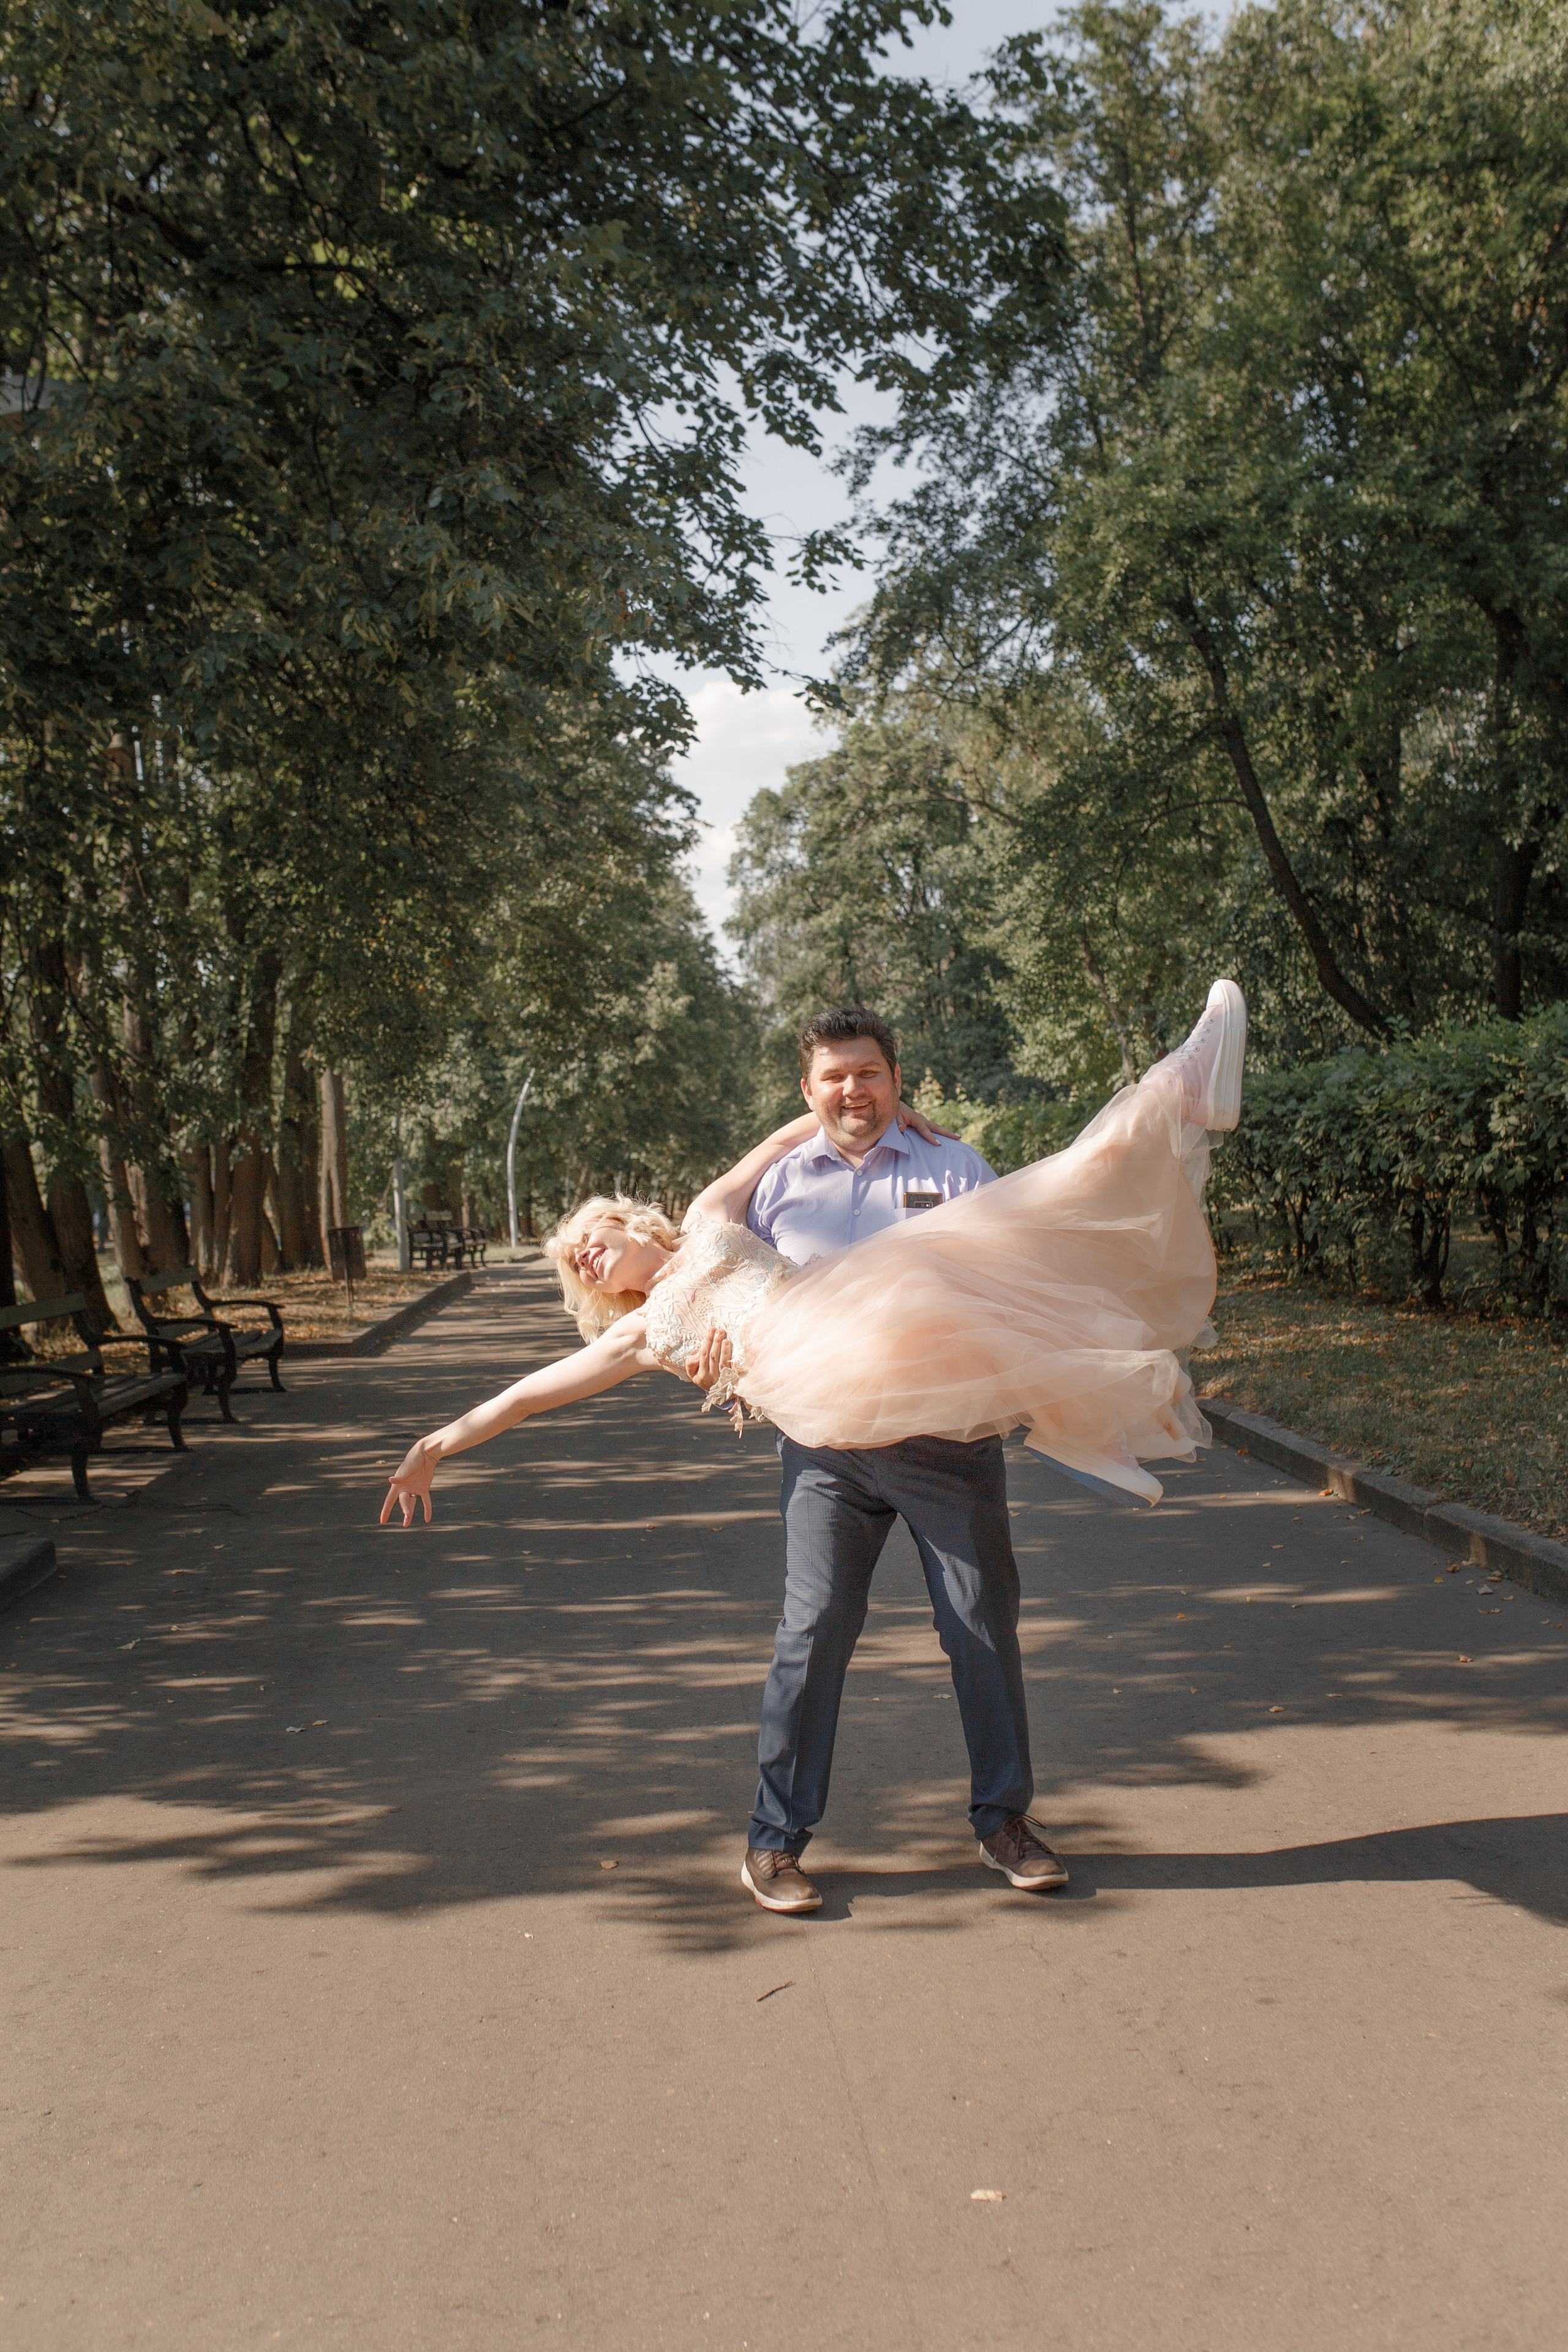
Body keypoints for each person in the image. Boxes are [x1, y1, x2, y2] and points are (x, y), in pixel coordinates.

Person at [379, 981, 1248, 1917]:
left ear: (636, 1223)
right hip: (828, 1450)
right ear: (809, 1087)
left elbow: (974, 1251)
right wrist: (438, 1440)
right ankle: (774, 1841)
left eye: (593, 1236)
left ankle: (1006, 1821)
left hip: (943, 1439)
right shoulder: (653, 1331)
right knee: (812, 1636)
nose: (589, 1255)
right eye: (576, 1261)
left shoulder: (735, 1211)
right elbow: (533, 1392)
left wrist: (895, 1116)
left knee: (981, 1628)